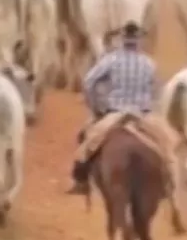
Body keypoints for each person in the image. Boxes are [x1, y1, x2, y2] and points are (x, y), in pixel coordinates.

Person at [67, 22, 179, 195]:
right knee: (169, 144)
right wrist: (151, 106)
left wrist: (96, 106)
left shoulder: (111, 60)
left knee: (88, 142)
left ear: (122, 39)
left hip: (114, 114)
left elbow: (89, 81)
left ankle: (80, 180)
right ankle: (171, 183)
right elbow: (158, 91)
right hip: (143, 115)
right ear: (139, 40)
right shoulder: (149, 63)